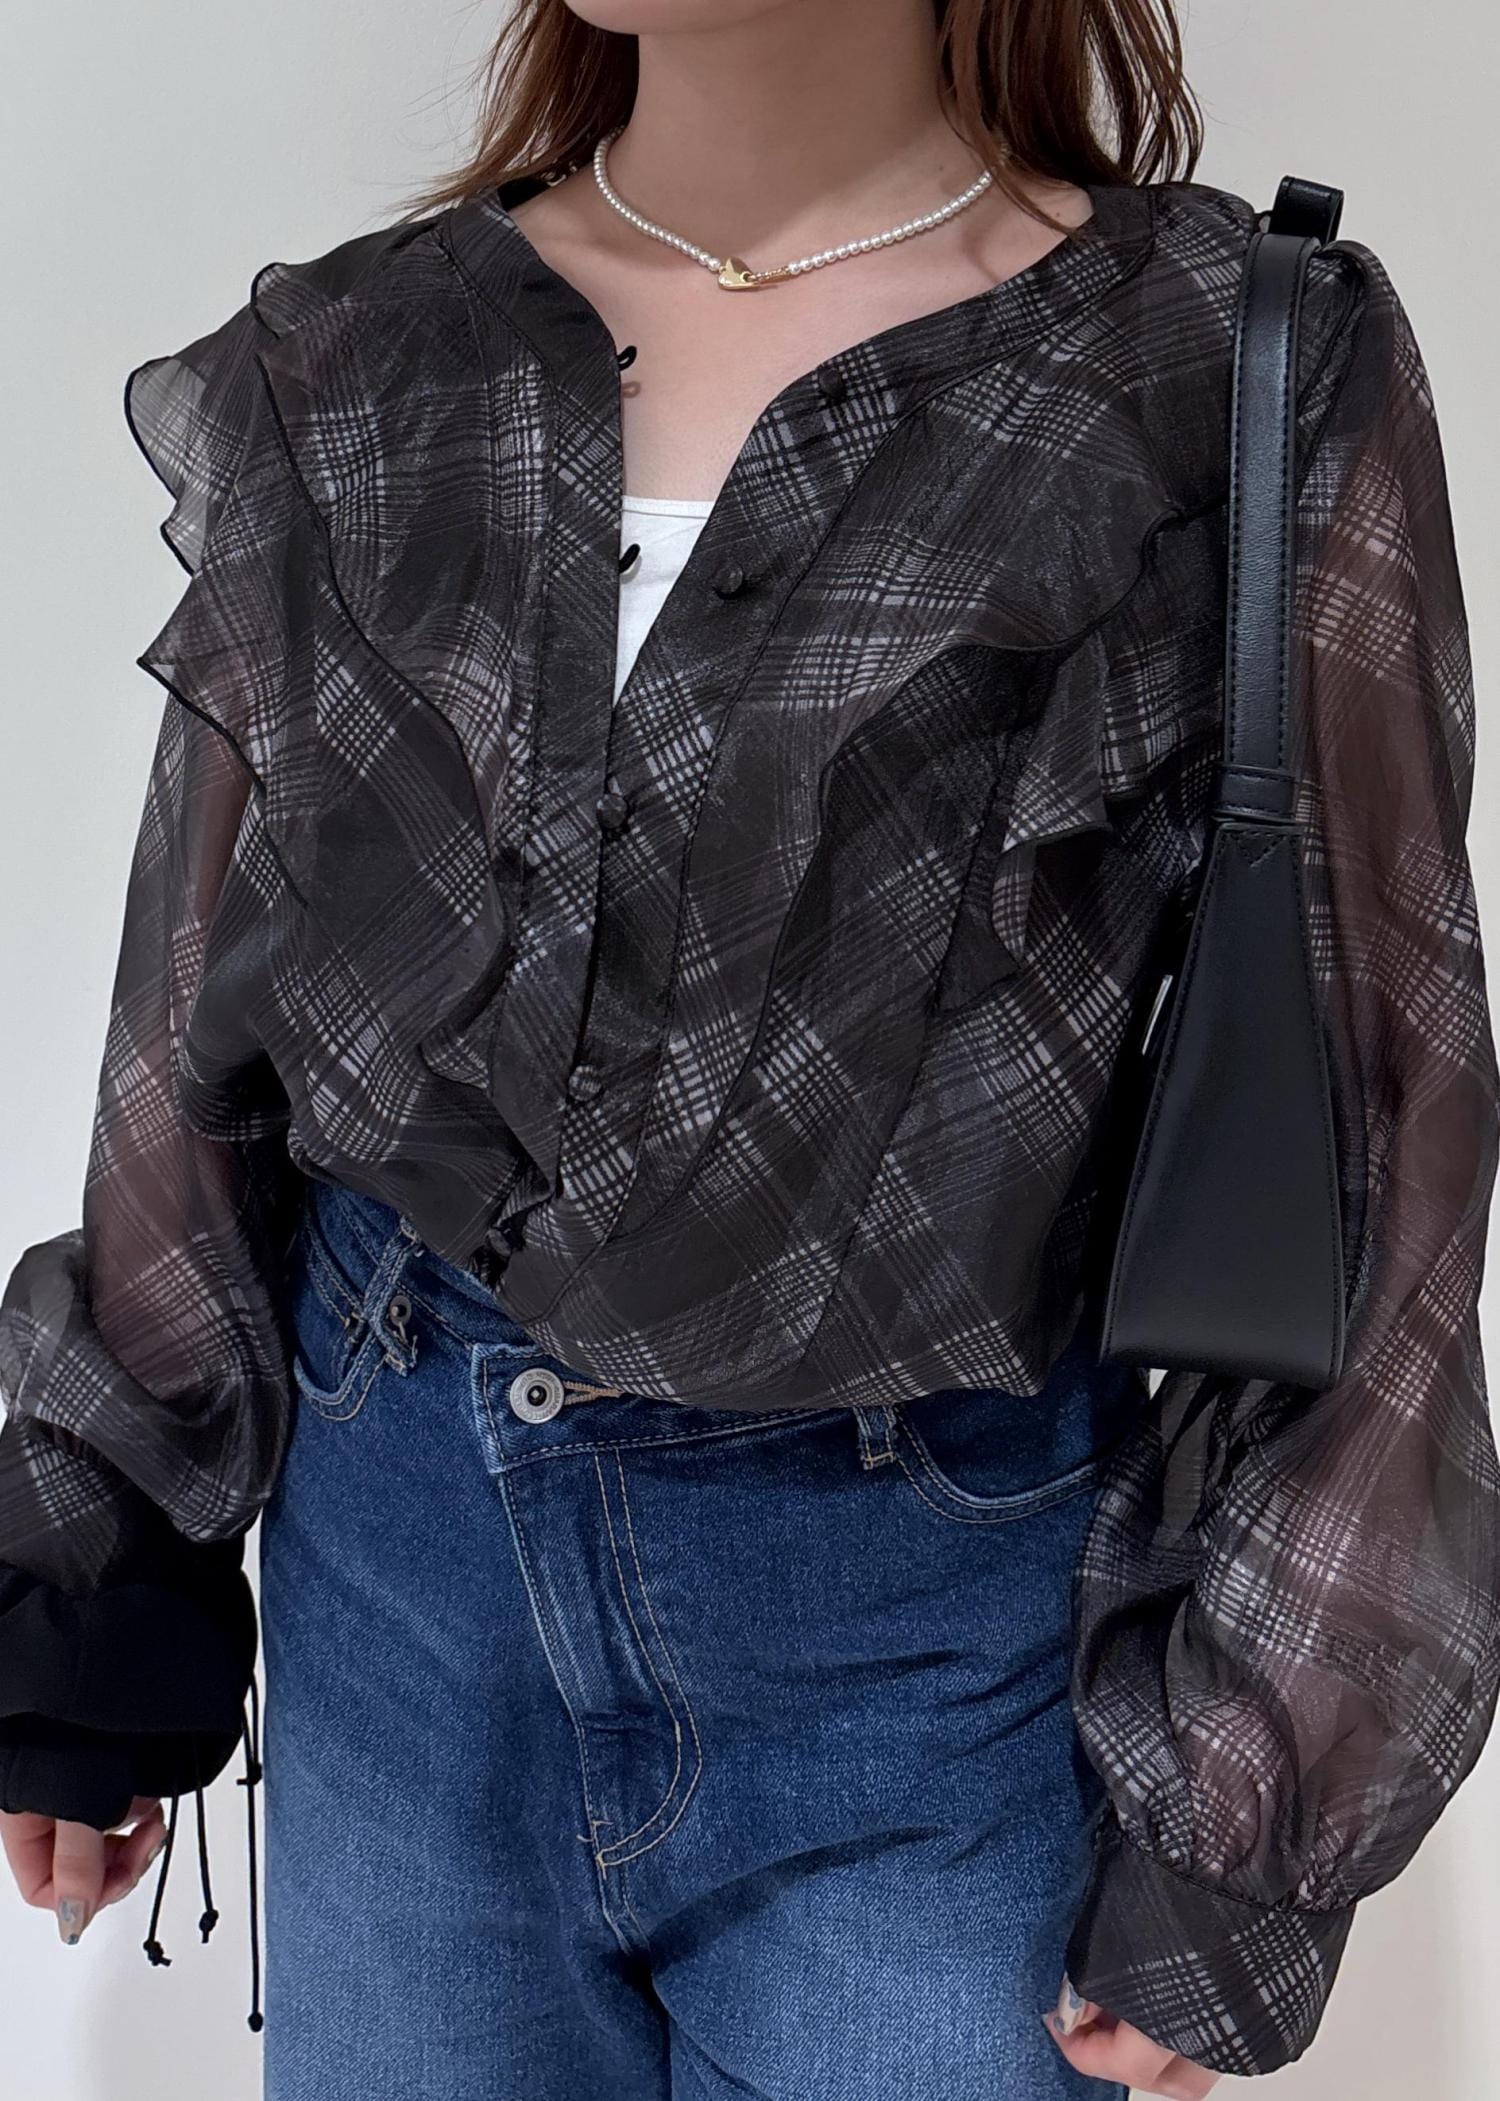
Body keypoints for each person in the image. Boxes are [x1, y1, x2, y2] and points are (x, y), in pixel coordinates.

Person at [3, 3, 1497, 2098]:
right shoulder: (360, 360)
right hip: (399, 1593)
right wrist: (98, 1595)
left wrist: (1246, 1798)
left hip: (928, 1632)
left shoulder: (1216, 364)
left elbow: (1378, 1099)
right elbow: (191, 1017)